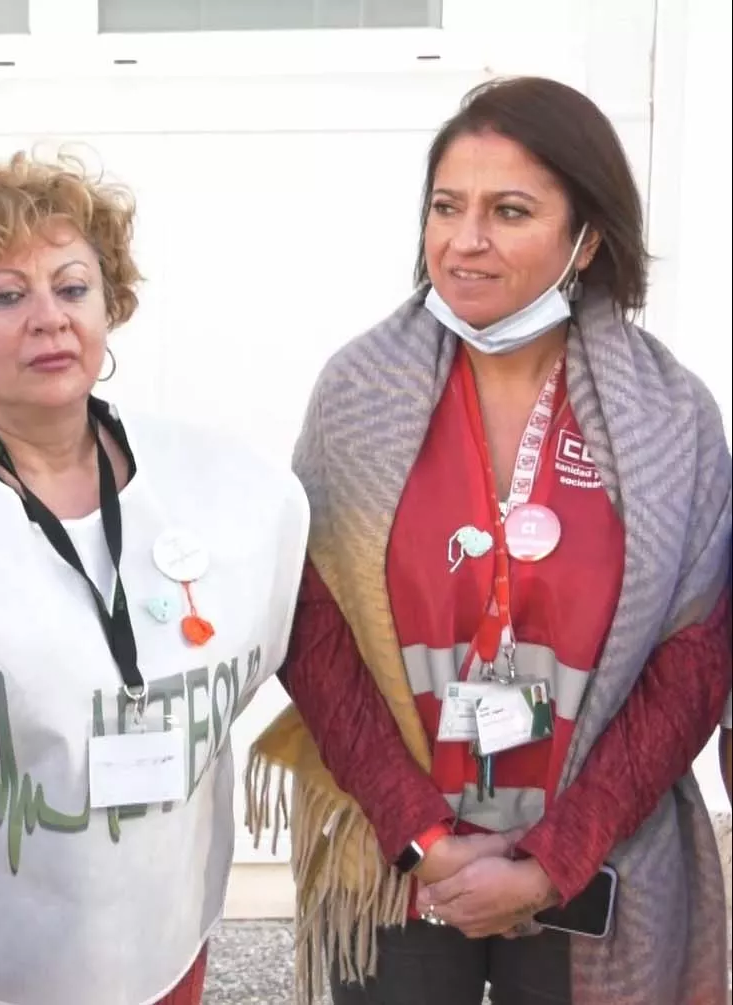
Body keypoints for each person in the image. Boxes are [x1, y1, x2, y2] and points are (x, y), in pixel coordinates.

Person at [247, 76, 732, 1005]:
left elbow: (696, 661)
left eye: (509, 211)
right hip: (400, 857)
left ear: (588, 239)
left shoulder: (674, 419)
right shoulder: (360, 395)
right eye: (445, 207)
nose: (464, 241)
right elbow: (313, 628)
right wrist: (420, 834)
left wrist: (554, 858)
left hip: (593, 852)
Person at [0, 152, 310, 1005]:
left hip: (165, 954)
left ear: (111, 303)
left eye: (73, 287)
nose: (49, 319)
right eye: (7, 296)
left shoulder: (229, 487)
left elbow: (302, 657)